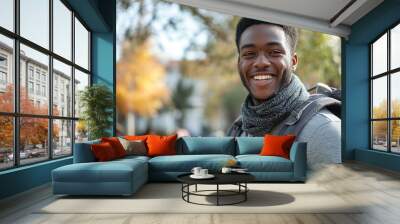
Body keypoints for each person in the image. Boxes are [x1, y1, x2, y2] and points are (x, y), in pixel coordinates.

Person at [227, 18, 341, 168]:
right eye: (249, 53)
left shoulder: (323, 131)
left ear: (293, 62)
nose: (261, 62)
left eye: (274, 52)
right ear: (239, 63)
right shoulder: (239, 128)